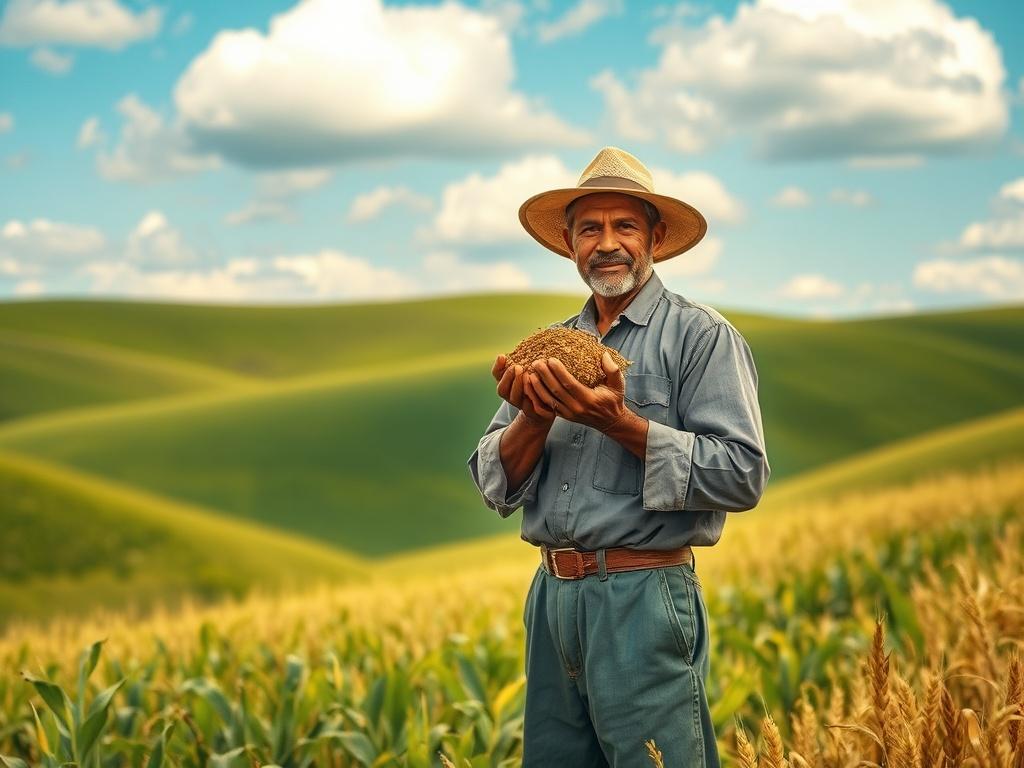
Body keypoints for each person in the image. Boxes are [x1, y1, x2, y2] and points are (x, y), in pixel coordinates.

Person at [466, 146, 770, 767]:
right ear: (571, 246)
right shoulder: (553, 346)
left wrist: (623, 424)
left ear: (655, 237)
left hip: (644, 593)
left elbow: (742, 474)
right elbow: (492, 480)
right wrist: (535, 414)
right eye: (590, 229)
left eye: (624, 225)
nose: (607, 243)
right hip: (553, 597)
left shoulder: (701, 336)